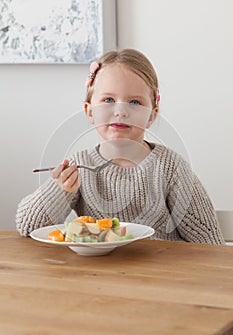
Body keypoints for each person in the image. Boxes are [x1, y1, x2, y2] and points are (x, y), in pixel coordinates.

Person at [16, 48, 225, 244]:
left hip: (162, 277)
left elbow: (209, 242)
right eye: (108, 99)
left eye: (134, 102)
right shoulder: (80, 166)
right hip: (99, 277)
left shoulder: (171, 167)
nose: (121, 111)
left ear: (152, 115)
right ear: (90, 112)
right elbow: (27, 225)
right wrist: (61, 189)